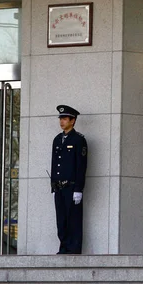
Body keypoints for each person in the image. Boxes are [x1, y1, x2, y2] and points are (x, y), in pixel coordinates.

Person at [51, 105, 88, 254]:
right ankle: (64, 247)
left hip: (72, 187)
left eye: (65, 119)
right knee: (61, 220)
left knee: (73, 219)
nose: (62, 121)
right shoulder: (57, 139)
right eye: (61, 118)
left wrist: (78, 188)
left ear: (73, 121)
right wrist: (53, 186)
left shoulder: (79, 140)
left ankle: (73, 248)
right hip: (59, 187)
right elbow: (54, 163)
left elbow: (81, 166)